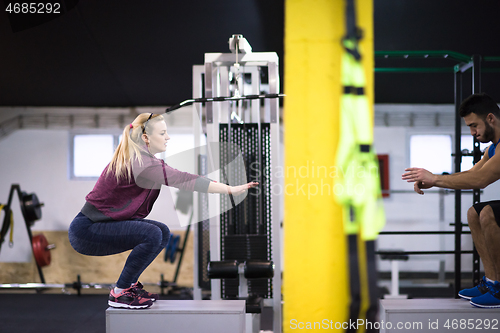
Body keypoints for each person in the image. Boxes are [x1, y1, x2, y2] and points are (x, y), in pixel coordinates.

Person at [68, 113, 258, 309]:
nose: (168, 137)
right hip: (87, 231)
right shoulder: (140, 162)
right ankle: (120, 292)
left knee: (162, 232)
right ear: (146, 137)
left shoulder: (146, 160)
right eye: (163, 133)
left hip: (100, 226)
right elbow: (183, 179)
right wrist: (229, 189)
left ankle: (129, 286)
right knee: (151, 234)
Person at [402, 93, 500, 308]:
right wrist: (434, 181)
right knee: (474, 212)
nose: (473, 133)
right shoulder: (492, 149)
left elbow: (480, 180)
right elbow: (471, 173)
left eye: (475, 126)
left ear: (491, 118)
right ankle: (493, 283)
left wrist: (435, 178)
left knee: (488, 212)